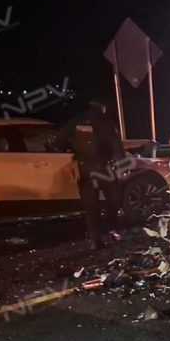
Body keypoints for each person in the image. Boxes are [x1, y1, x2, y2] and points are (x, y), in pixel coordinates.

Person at [55, 100, 126, 250]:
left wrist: (72, 151)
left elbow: (58, 141)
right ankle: (113, 230)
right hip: (104, 169)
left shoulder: (74, 122)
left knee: (91, 206)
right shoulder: (107, 123)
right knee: (113, 200)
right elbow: (117, 148)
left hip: (85, 169)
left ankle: (95, 240)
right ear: (101, 108)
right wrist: (122, 167)